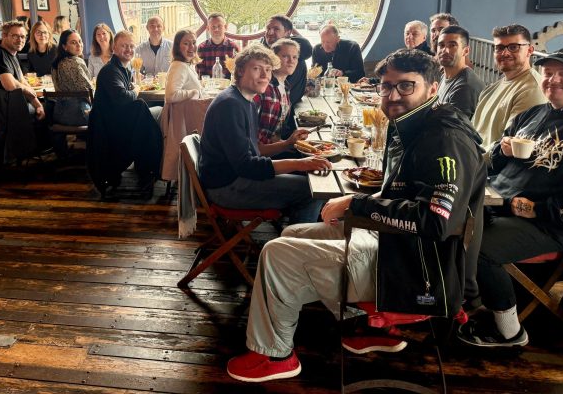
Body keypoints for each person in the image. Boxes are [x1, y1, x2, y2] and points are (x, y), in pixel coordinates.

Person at [226, 48, 485, 383]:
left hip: (422, 275)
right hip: (399, 251)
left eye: (406, 86)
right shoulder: (412, 126)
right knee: (293, 235)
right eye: (386, 86)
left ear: (432, 89)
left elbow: (436, 221)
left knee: (276, 253)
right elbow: (403, 197)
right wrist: (356, 201)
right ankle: (368, 325)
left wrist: (356, 206)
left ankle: (275, 355)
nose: (392, 95)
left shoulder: (445, 138)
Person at [458, 48, 563, 349]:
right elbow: (494, 166)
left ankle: (510, 332)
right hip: (495, 203)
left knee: (478, 248)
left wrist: (533, 209)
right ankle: (464, 305)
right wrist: (503, 149)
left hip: (547, 225)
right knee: (443, 224)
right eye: (548, 73)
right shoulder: (532, 114)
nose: (553, 80)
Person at [198, 44, 329, 226]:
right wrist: (300, 163)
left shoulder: (246, 100)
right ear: (241, 71)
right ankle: (294, 246)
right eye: (257, 69)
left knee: (305, 177)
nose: (264, 76)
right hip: (226, 187)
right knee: (311, 191)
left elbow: (255, 150)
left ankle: (292, 232)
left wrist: (287, 144)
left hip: (232, 178)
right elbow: (246, 166)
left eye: (268, 70)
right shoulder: (230, 105)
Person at [88, 30, 163, 193]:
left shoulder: (122, 69)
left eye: (131, 46)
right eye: (124, 46)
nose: (129, 49)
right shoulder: (110, 71)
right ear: (114, 48)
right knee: (156, 113)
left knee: (147, 113)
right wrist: (135, 90)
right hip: (111, 127)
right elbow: (123, 97)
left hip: (116, 120)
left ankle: (147, 168)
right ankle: (150, 169)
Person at [471, 24, 546, 152]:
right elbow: (472, 132)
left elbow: (509, 148)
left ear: (529, 50)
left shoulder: (531, 90)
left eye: (513, 47)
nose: (505, 53)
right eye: (499, 48)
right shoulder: (491, 89)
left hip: (488, 168)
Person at [254, 39, 309, 154]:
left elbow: (276, 132)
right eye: (285, 56)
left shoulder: (285, 86)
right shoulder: (264, 88)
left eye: (295, 57)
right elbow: (254, 142)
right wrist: (287, 144)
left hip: (277, 147)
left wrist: (290, 142)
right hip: (263, 156)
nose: (291, 61)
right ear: (273, 59)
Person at [0, 20, 45, 120]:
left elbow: (22, 81)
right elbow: (11, 85)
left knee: (46, 109)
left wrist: (38, 105)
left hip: (11, 107)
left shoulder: (13, 54)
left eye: (23, 36)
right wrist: (29, 90)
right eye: (15, 36)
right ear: (4, 36)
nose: (20, 40)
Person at [260, 14, 312, 129]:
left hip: (288, 108)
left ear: (288, 33)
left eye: (276, 29)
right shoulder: (259, 53)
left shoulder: (299, 53)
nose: (270, 32)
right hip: (271, 113)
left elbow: (307, 47)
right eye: (268, 28)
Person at [436, 25, 485, 118]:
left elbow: (453, 130)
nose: (444, 50)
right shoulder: (444, 75)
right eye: (441, 45)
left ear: (466, 51)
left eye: (452, 45)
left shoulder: (465, 86)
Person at [51, 29, 93, 126]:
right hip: (79, 114)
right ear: (64, 46)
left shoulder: (56, 64)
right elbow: (88, 90)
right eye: (73, 43)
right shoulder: (76, 62)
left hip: (59, 114)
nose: (79, 45)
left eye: (80, 41)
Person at [165, 29, 204, 103]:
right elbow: (170, 96)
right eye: (186, 43)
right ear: (178, 47)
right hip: (180, 114)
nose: (192, 46)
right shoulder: (179, 66)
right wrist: (194, 92)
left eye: (194, 42)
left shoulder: (188, 63)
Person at [195, 12, 239, 79]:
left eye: (219, 26)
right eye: (213, 27)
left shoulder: (233, 47)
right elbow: (200, 74)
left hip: (228, 86)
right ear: (208, 29)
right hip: (208, 87)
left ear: (225, 27)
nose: (216, 29)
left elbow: (238, 72)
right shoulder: (202, 48)